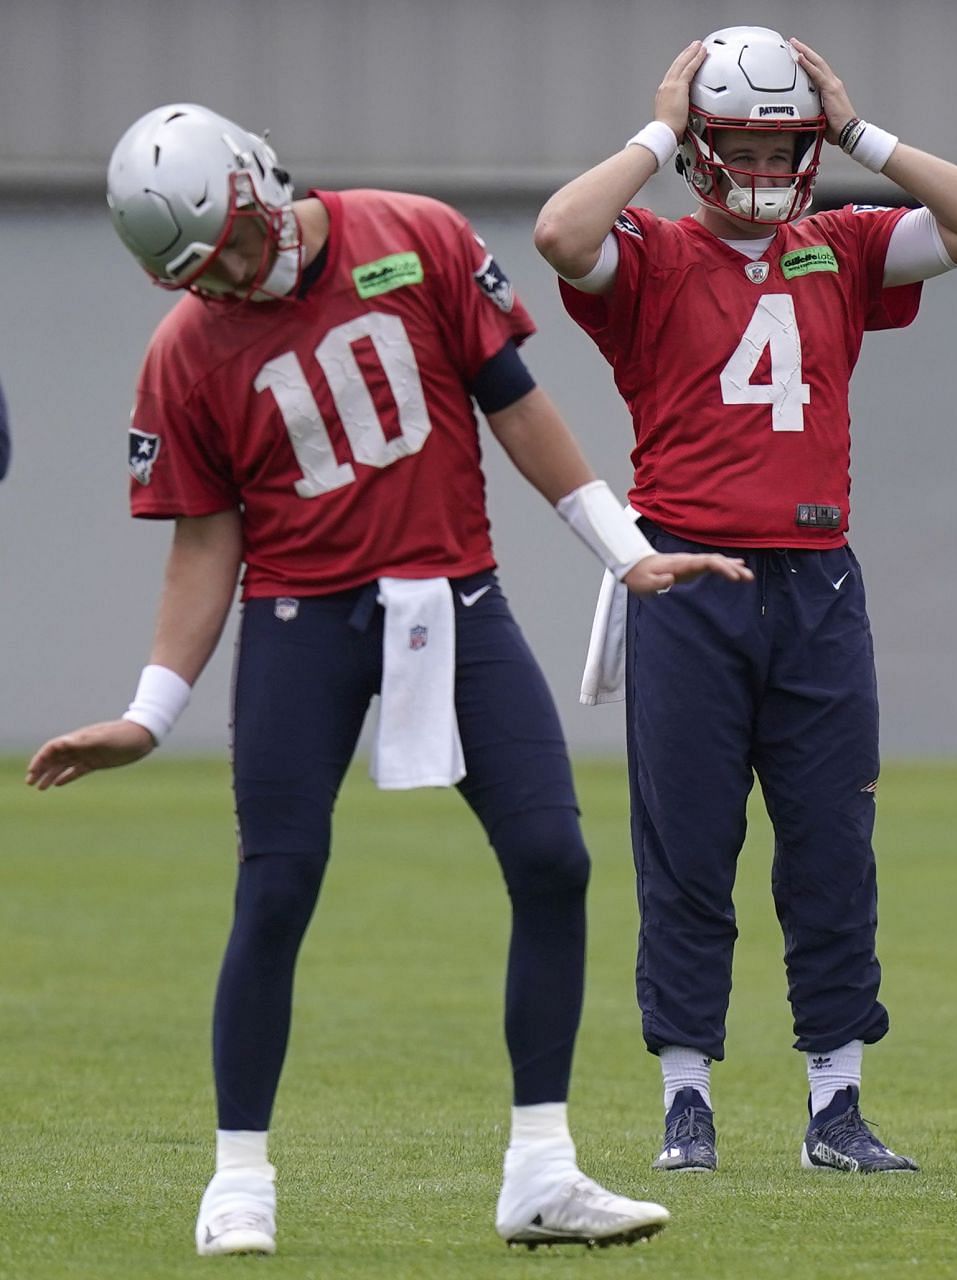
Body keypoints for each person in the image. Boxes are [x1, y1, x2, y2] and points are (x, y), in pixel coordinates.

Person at [24, 103, 753, 1255]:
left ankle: (541, 1166)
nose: (234, 281)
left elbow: (519, 410)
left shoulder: (414, 236)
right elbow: (206, 541)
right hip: (300, 618)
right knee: (278, 883)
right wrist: (148, 712)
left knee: (555, 857)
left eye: (239, 250)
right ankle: (240, 1176)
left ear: (264, 185)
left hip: (454, 597)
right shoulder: (189, 346)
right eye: (204, 273)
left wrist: (625, 548)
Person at [533, 27, 957, 1173]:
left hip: (817, 579)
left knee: (832, 847)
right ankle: (685, 1096)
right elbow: (561, 231)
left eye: (781, 143)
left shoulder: (839, 246)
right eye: (737, 141)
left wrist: (858, 131)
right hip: (689, 574)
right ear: (698, 146)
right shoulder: (647, 254)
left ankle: (835, 1106)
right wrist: (655, 129)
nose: (759, 164)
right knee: (688, 848)